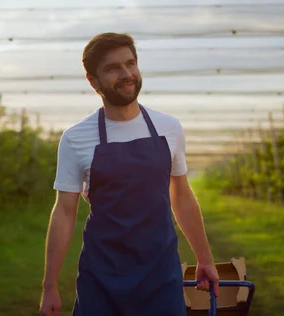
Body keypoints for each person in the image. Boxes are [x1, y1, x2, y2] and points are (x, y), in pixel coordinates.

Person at [40, 32, 219, 316]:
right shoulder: (76, 138)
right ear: (93, 80)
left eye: (130, 63)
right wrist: (50, 285)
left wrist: (204, 258)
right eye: (112, 68)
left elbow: (181, 196)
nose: (126, 74)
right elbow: (64, 212)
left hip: (161, 275)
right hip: (101, 276)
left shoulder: (168, 128)